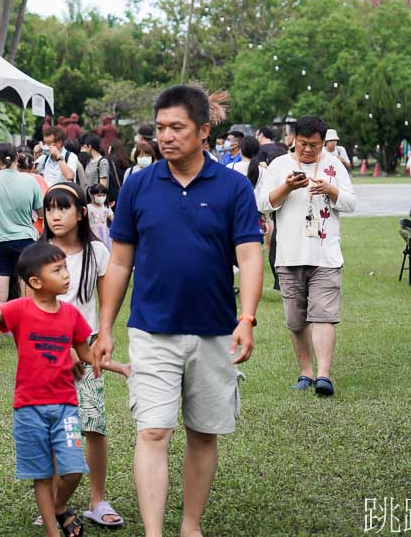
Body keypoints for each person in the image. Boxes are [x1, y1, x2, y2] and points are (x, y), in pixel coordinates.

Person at [92, 84, 263, 537]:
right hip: (152, 330)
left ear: (204, 131)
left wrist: (246, 318)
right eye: (161, 128)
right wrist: (104, 326)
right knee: (152, 430)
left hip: (214, 332)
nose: (166, 137)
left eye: (178, 128)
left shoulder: (233, 187)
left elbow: (248, 256)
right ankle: (154, 533)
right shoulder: (138, 186)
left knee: (204, 433)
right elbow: (120, 261)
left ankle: (190, 526)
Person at [0, 242, 98, 537]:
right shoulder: (21, 308)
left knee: (74, 469)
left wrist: (122, 367)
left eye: (66, 267)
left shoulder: (71, 315)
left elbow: (87, 355)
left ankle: (57, 507)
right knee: (41, 475)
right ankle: (53, 530)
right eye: (58, 269)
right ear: (36, 282)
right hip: (29, 408)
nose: (66, 274)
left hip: (65, 404)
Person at [41, 182, 131, 530]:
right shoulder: (38, 254)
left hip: (87, 344)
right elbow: (28, 309)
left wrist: (101, 338)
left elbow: (107, 304)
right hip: (47, 350)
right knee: (53, 425)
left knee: (93, 424)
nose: (55, 215)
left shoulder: (98, 252)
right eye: (50, 209)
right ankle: (50, 500)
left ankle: (97, 499)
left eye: (63, 208)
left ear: (81, 213)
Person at [257, 116, 356, 397]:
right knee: (296, 319)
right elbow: (263, 202)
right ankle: (306, 372)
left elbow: (351, 202)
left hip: (325, 255)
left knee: (324, 315)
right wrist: (287, 187)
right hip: (289, 255)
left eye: (314, 145)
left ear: (323, 143)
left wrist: (330, 189)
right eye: (303, 144)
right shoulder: (279, 166)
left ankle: (323, 375)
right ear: (293, 139)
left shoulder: (334, 166)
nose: (309, 150)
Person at [0, 144, 44, 349]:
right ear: (18, 157)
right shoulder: (30, 181)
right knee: (27, 295)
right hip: (24, 241)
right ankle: (27, 340)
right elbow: (41, 213)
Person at [81, 134, 121, 206]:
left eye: (85, 147)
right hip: (89, 200)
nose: (85, 150)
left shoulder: (102, 161)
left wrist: (97, 198)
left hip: (98, 201)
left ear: (90, 147)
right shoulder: (88, 161)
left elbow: (103, 184)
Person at [86, 184, 113, 249]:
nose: (102, 197)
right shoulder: (88, 208)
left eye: (104, 195)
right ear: (92, 195)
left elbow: (113, 219)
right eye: (99, 195)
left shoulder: (106, 207)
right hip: (93, 234)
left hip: (105, 234)